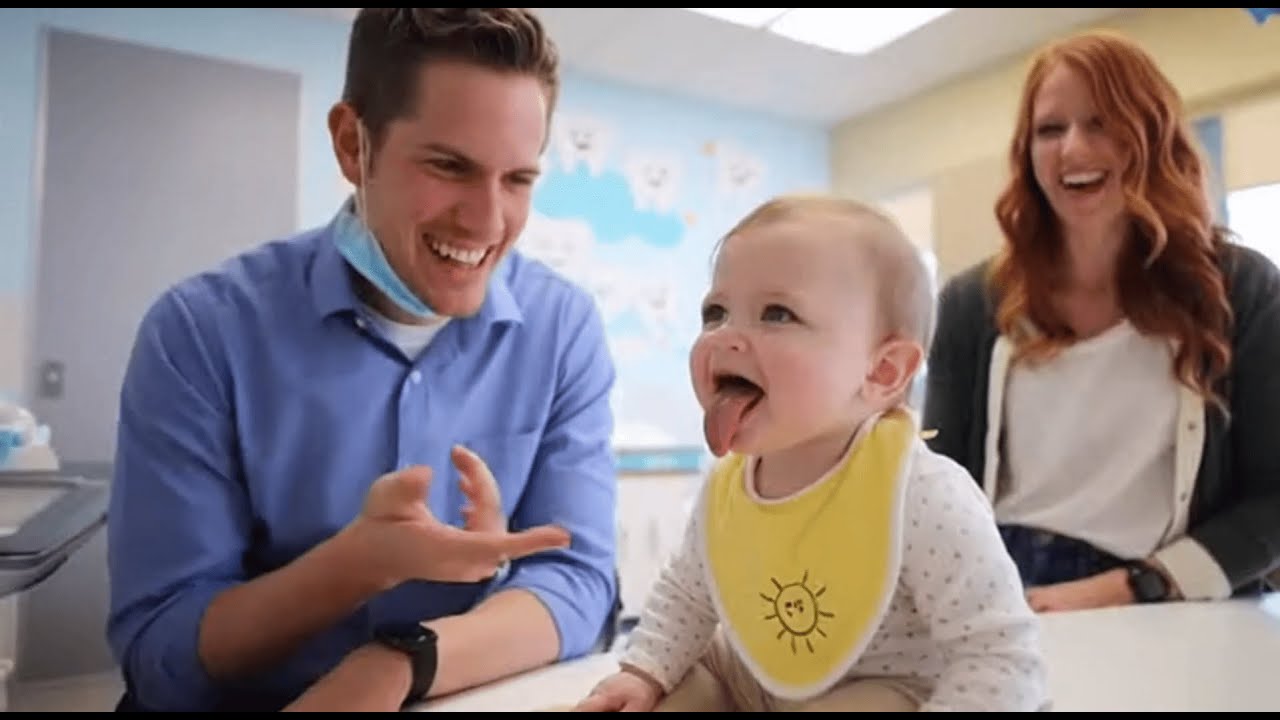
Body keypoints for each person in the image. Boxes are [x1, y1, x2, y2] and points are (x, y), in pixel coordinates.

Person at [106, 8, 620, 712]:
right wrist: (353, 567)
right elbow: (162, 657)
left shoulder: (562, 329)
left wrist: (401, 661)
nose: (488, 221)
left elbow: (579, 582)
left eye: (518, 180)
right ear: (353, 145)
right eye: (449, 166)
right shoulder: (199, 332)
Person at [573, 195, 1049, 713]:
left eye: (777, 314)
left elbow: (999, 652)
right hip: (754, 678)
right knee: (683, 678)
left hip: (888, 684)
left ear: (882, 371)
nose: (726, 336)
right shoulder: (727, 485)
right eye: (716, 312)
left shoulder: (920, 494)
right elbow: (689, 594)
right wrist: (644, 673)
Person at [923, 30, 1280, 613]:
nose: (1073, 149)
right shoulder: (971, 302)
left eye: (1101, 123)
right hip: (1002, 590)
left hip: (1162, 595)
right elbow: (938, 493)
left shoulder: (1242, 288)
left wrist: (1132, 587)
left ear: (1153, 135)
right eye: (1050, 129)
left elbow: (1272, 500)